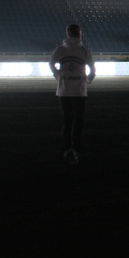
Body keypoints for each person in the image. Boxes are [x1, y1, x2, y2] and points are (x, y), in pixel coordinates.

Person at [49, 24, 96, 165]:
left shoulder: (59, 50)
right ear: (79, 34)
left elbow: (51, 64)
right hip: (79, 92)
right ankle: (76, 148)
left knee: (67, 120)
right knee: (79, 121)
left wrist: (58, 76)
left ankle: (66, 148)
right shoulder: (84, 51)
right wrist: (87, 80)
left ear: (68, 34)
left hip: (63, 91)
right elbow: (93, 70)